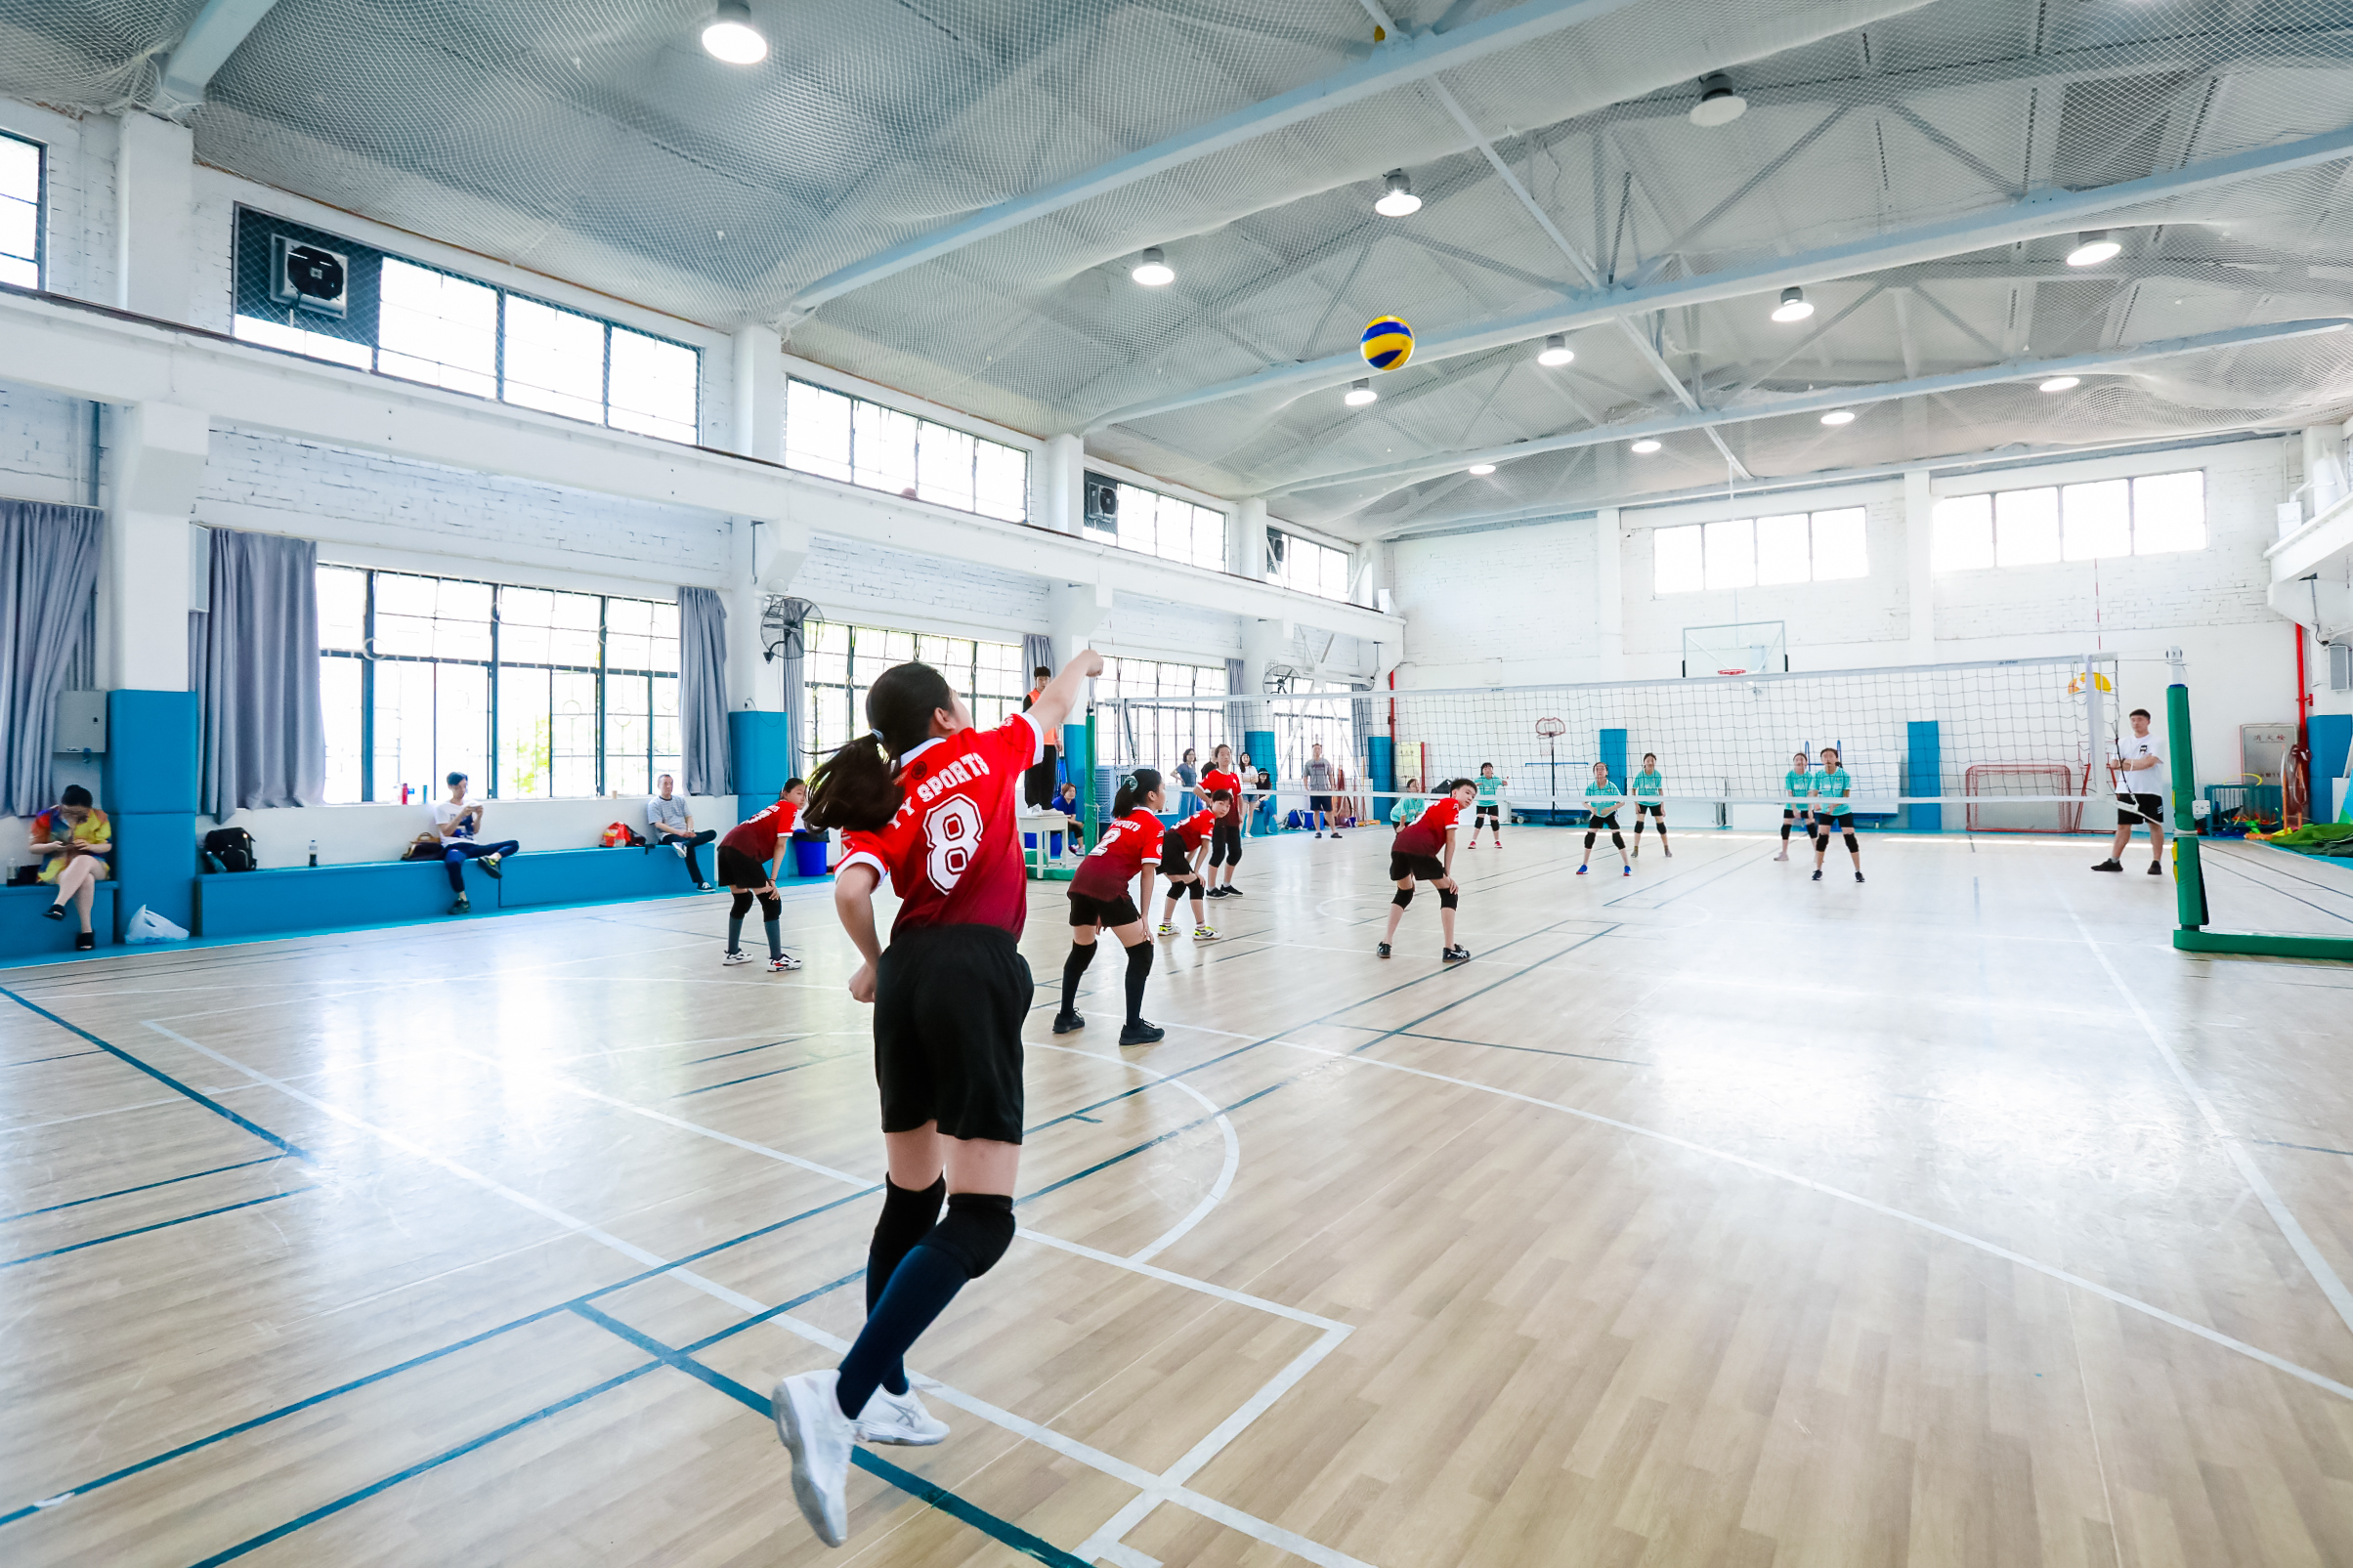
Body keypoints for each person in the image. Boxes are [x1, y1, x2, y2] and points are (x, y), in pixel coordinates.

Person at [773, 651, 1099, 1547]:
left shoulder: (885, 796)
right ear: (947, 715)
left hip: (910, 976)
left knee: (911, 1199)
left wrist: (877, 962)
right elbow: (1055, 704)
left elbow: (850, 888)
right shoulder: (990, 746)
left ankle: (888, 1392)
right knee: (982, 1218)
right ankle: (841, 1396)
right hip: (974, 968)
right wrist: (1083, 660)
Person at [1057, 768, 1167, 1045]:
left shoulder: (1121, 820)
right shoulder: (1153, 825)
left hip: (1082, 881)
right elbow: (1148, 873)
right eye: (1163, 788)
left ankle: (1066, 1016)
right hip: (1106, 885)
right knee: (1142, 952)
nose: (1165, 793)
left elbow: (1104, 860)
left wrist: (1099, 907)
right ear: (1152, 795)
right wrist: (1144, 917)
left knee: (1083, 948)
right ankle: (1133, 1028)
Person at [1378, 777, 1473, 963]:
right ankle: (1450, 949)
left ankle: (1385, 943)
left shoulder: (1437, 806)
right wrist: (1447, 874)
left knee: (1404, 892)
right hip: (1418, 846)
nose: (1470, 797)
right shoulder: (1452, 804)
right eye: (1467, 792)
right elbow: (1451, 840)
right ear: (1454, 793)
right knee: (1449, 892)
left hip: (1399, 845)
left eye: (1473, 796)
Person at [717, 780, 808, 971]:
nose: (803, 798)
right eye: (799, 793)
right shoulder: (788, 808)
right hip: (742, 850)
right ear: (785, 793)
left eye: (805, 794)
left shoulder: (774, 808)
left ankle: (732, 952)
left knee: (742, 900)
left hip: (726, 847)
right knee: (771, 902)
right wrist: (772, 880)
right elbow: (780, 846)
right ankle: (777, 959)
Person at [30, 784, 110, 952]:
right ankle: (86, 932)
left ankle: (59, 904)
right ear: (62, 805)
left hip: (95, 864)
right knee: (86, 879)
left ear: (88, 809)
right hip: (58, 868)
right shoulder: (46, 816)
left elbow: (107, 845)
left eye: (79, 813)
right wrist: (51, 846)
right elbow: (33, 847)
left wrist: (90, 846)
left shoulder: (100, 817)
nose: (73, 816)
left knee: (83, 859)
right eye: (68, 812)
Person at [2096, 706, 2167, 875]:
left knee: (2154, 824)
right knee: (2122, 826)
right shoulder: (2122, 742)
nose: (2136, 723)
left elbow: (2149, 763)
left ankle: (2156, 862)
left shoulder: (2157, 741)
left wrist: (2127, 762)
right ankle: (2114, 861)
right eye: (2133, 720)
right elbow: (2114, 765)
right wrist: (2138, 762)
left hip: (2150, 790)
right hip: (2126, 790)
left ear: (2148, 721)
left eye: (2140, 720)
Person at [435, 772, 518, 914]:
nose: (462, 790)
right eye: (458, 787)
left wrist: (479, 816)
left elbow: (474, 831)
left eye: (464, 786)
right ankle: (462, 899)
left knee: (513, 844)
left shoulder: (470, 803)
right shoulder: (442, 808)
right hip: (454, 846)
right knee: (453, 863)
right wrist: (461, 815)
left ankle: (492, 859)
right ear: (450, 787)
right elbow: (446, 832)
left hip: (472, 846)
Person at [1156, 790, 1229, 940]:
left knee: (1179, 885)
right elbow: (1205, 847)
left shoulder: (1202, 816)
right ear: (1211, 802)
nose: (1224, 808)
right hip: (1171, 848)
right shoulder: (1209, 818)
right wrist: (1195, 872)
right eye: (1221, 804)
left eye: (1227, 806)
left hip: (1163, 847)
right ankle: (1201, 929)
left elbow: (1194, 847)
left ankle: (1165, 925)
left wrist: (1188, 868)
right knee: (1196, 885)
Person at [647, 773, 717, 889]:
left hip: (685, 834)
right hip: (668, 835)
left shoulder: (680, 800)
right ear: (658, 785)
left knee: (712, 833)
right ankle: (700, 882)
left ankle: (686, 844)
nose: (669, 786)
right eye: (665, 784)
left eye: (671, 784)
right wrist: (678, 832)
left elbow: (689, 817)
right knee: (689, 847)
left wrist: (689, 830)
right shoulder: (654, 804)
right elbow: (658, 824)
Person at [1812, 745, 1863, 883]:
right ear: (1822, 760)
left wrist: (1834, 805)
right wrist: (1815, 803)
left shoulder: (1844, 775)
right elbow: (1814, 792)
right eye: (1825, 756)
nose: (1827, 759)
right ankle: (1818, 869)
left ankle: (1858, 871)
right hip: (1826, 810)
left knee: (1850, 838)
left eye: (1830, 756)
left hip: (1843, 810)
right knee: (1822, 838)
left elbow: (1846, 796)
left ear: (1836, 758)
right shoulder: (1819, 775)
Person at [1200, 743, 1246, 899]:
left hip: (1232, 819)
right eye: (1222, 754)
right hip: (1218, 821)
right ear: (1216, 758)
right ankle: (1210, 888)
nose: (1226, 757)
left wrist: (1240, 814)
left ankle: (1226, 884)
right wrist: (1209, 801)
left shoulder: (1234, 777)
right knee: (1219, 852)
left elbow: (1239, 796)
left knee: (1236, 852)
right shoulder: (1213, 775)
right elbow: (1197, 789)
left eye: (1228, 754)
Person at [1578, 761, 1631, 876]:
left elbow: (1622, 802)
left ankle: (1627, 866)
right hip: (1597, 814)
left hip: (1610, 814)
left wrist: (1609, 809)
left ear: (1606, 772)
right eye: (1597, 769)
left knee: (1617, 838)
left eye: (1602, 769)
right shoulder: (1591, 787)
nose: (1599, 771)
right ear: (1594, 772)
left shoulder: (1611, 786)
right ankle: (1584, 865)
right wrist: (1591, 809)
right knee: (1589, 837)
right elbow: (1584, 802)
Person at [1020, 663, 1058, 808]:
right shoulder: (1030, 698)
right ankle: (1032, 804)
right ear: (1035, 680)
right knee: (1034, 775)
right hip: (1035, 743)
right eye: (1041, 679)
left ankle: (1046, 804)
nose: (1044, 682)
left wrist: (1057, 739)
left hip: (1049, 743)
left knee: (1049, 776)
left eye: (1046, 679)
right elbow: (1026, 721)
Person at [1775, 749, 1815, 863]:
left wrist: (1810, 809)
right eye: (1796, 759)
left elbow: (1810, 793)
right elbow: (1790, 793)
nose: (1799, 761)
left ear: (1806, 762)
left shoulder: (1809, 776)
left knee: (1811, 826)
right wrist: (1794, 809)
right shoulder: (1790, 775)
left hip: (1806, 805)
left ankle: (1817, 854)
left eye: (1801, 759)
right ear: (1794, 762)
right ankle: (1784, 853)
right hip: (1791, 804)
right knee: (1786, 825)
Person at [1630, 752, 1669, 858]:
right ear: (1644, 762)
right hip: (1642, 802)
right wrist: (1636, 804)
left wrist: (1662, 807)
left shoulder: (1657, 775)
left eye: (1652, 761)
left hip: (1655, 802)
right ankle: (1635, 849)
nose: (1650, 762)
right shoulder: (1640, 775)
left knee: (1661, 826)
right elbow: (1633, 789)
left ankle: (1666, 848)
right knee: (1639, 825)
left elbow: (1660, 791)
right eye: (1648, 760)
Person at [1303, 742, 1339, 838]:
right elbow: (1305, 776)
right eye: (1315, 749)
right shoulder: (1308, 763)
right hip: (1314, 791)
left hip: (1325, 790)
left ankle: (1334, 831)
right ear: (1312, 750)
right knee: (1316, 811)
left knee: (1329, 811)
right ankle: (1318, 831)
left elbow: (1330, 775)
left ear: (1321, 750)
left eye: (1319, 748)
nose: (1317, 750)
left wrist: (1332, 786)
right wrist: (1306, 787)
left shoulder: (1326, 762)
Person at [1470, 762, 1506, 847]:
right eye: (1485, 769)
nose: (1487, 770)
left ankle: (1497, 841)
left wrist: (1505, 782)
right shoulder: (1480, 779)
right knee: (1479, 820)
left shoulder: (1496, 779)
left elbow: (1503, 783)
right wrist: (1475, 785)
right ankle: (1473, 841)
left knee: (1494, 820)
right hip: (1482, 803)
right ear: (1482, 771)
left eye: (1489, 768)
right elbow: (1470, 786)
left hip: (1492, 803)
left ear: (1492, 770)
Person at [1051, 779, 1086, 848]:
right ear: (1064, 792)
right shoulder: (1058, 802)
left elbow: (1073, 815)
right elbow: (1062, 818)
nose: (1072, 793)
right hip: (1054, 824)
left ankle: (1081, 847)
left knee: (1076, 827)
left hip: (1066, 822)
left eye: (1073, 791)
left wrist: (1075, 823)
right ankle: (1065, 848)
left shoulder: (1073, 801)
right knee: (1068, 826)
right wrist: (1076, 823)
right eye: (1070, 791)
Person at [1175, 746, 1202, 816]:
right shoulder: (1182, 766)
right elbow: (1173, 773)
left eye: (1193, 755)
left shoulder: (1193, 766)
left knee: (1193, 812)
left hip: (1193, 791)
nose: (1191, 756)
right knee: (1185, 812)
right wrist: (1180, 779)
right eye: (1190, 755)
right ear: (1186, 756)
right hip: (1186, 791)